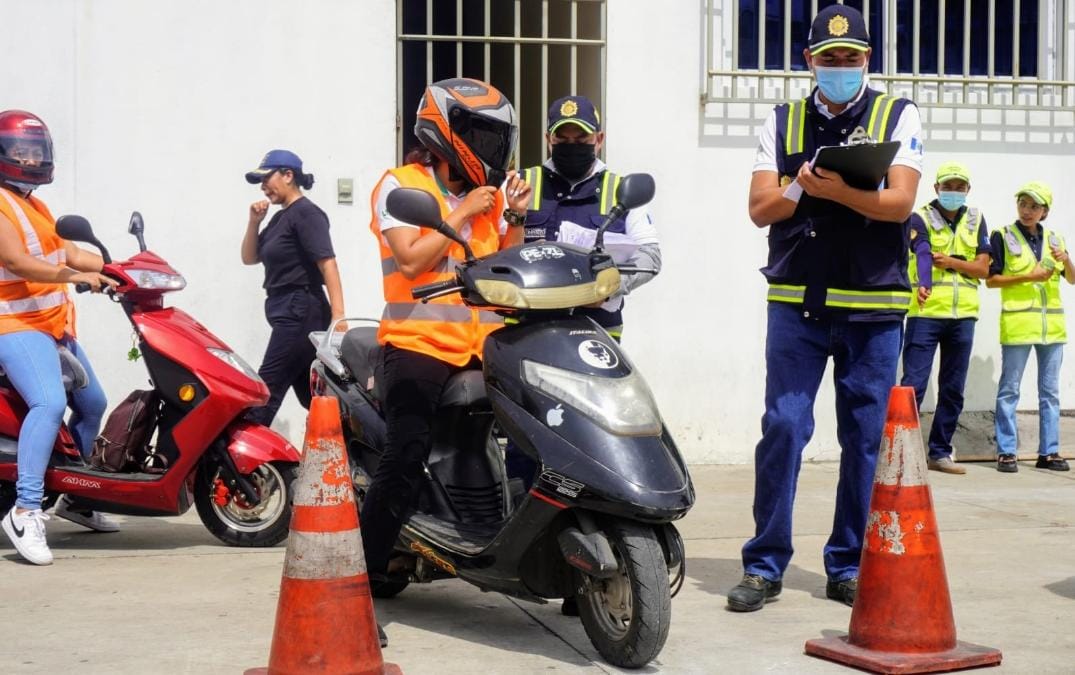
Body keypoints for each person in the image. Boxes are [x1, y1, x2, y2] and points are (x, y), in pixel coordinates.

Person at [727, 5, 923, 612]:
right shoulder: (782, 120)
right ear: (809, 61)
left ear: (868, 60)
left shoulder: (898, 113)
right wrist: (800, 185)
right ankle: (764, 565)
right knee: (784, 427)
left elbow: (900, 202)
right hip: (797, 304)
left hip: (874, 307)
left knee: (863, 439)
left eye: (851, 58)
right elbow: (760, 209)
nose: (841, 66)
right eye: (829, 58)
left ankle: (848, 565)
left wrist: (837, 190)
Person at [361, 78, 530, 580]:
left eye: (496, 138)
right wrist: (463, 210)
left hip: (483, 348)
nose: (492, 149)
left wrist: (516, 215)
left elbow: (506, 267)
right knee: (406, 453)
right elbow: (411, 262)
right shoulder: (401, 186)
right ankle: (365, 574)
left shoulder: (491, 200)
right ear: (446, 133)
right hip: (418, 343)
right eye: (482, 136)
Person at [0, 110, 120, 566]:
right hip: (15, 325)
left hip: (52, 325)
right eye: (20, 151)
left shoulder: (33, 204)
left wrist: (115, 267)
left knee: (92, 404)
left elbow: (62, 249)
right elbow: (18, 262)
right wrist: (75, 276)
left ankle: (77, 498)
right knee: (49, 404)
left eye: (36, 151)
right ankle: (25, 510)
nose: (31, 159)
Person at [519, 95, 661, 339]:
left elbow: (651, 257)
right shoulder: (520, 184)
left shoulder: (621, 190)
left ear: (599, 139)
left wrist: (608, 287)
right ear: (548, 140)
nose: (571, 146)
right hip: (527, 331)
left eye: (581, 139)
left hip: (596, 335)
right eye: (562, 139)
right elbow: (493, 250)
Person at [241, 150, 346, 426]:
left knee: (266, 390)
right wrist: (254, 222)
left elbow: (328, 264)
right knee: (313, 399)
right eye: (260, 182)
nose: (263, 187)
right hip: (285, 310)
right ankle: (350, 443)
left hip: (300, 310)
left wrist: (339, 317)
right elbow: (249, 257)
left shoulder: (307, 214)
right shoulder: (280, 218)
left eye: (266, 178)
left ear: (288, 175)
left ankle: (240, 451)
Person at [900, 162, 991, 475]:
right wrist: (956, 265)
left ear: (968, 190)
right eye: (948, 186)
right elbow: (924, 253)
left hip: (963, 316)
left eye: (959, 187)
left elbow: (983, 269)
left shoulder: (976, 218)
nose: (954, 192)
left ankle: (939, 453)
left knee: (953, 389)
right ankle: (902, 454)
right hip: (926, 313)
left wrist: (950, 261)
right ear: (936, 188)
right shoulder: (920, 217)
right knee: (913, 386)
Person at [986, 181, 1073, 473]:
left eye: (1034, 206)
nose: (1027, 210)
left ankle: (1049, 452)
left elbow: (1072, 279)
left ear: (1044, 211)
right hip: (1019, 324)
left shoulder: (1055, 239)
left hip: (1052, 329)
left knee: (1050, 393)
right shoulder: (1002, 235)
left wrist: (1067, 260)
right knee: (1009, 390)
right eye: (1023, 204)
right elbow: (991, 280)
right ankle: (1006, 452)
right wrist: (1029, 277)